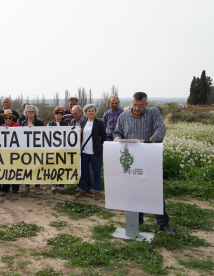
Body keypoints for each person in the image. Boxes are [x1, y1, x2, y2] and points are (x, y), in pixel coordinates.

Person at [113, 92, 175, 236]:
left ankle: (163, 224)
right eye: (135, 105)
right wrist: (117, 139)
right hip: (130, 160)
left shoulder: (153, 113)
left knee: (155, 191)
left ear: (146, 104)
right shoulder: (124, 116)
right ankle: (136, 221)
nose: (137, 108)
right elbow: (117, 132)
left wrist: (148, 142)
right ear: (131, 102)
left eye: (140, 105)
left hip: (149, 157)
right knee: (133, 191)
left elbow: (161, 129)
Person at [75, 104, 107, 201]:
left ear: (95, 112)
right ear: (85, 113)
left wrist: (98, 145)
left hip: (96, 152)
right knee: (84, 171)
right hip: (84, 151)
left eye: (93, 111)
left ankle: (97, 190)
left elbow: (104, 138)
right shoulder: (83, 123)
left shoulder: (99, 123)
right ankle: (83, 189)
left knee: (96, 172)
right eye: (89, 111)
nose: (91, 112)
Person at [20, 105, 43, 194]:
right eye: (29, 111)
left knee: (36, 166)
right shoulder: (23, 122)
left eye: (32, 112)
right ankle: (27, 185)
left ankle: (37, 186)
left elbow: (42, 134)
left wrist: (34, 128)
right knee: (26, 167)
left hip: (36, 148)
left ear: (35, 113)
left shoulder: (39, 122)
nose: (31, 113)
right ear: (26, 113)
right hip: (25, 148)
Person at [47, 106, 68, 191]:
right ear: (54, 114)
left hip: (62, 148)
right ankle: (54, 184)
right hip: (53, 149)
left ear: (63, 114)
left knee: (62, 166)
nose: (59, 115)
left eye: (61, 113)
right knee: (53, 166)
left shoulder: (66, 124)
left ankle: (62, 184)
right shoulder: (50, 124)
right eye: (57, 113)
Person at [0, 109, 20, 194]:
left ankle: (15, 187)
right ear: (4, 119)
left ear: (12, 119)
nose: (7, 119)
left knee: (15, 169)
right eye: (6, 118)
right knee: (5, 168)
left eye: (9, 118)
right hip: (4, 152)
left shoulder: (17, 126)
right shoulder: (0, 127)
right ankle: (5, 186)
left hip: (15, 151)